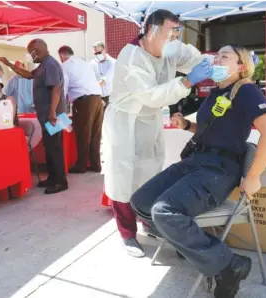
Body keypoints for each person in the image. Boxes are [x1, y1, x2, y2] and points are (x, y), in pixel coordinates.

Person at [130, 45, 266, 298]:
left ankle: (229, 265)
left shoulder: (246, 90)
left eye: (224, 56)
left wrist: (253, 176)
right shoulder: (215, 92)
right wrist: (186, 124)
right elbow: (211, 132)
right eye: (216, 55)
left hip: (220, 169)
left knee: (164, 211)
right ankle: (193, 247)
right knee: (141, 201)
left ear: (241, 66)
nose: (216, 59)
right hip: (197, 160)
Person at [103, 9, 213, 257]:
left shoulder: (171, 48)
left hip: (149, 119)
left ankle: (148, 223)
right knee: (123, 177)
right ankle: (127, 234)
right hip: (125, 121)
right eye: (170, 33)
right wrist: (187, 82)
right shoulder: (131, 57)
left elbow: (194, 59)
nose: (175, 38)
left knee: (150, 172)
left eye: (177, 32)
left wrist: (219, 65)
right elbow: (152, 95)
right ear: (151, 31)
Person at [0, 38, 68, 195]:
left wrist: (52, 113)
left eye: (31, 53)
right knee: (49, 146)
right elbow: (28, 75)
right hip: (49, 114)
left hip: (55, 115)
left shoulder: (50, 64)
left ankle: (60, 182)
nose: (30, 56)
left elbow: (56, 89)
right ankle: (52, 177)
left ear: (38, 50)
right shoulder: (43, 65)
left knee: (55, 147)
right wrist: (9, 64)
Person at [58, 45, 104, 174]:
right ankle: (95, 164)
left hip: (84, 101)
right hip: (97, 98)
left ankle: (81, 165)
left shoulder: (65, 66)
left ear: (62, 56)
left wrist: (62, 107)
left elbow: (63, 89)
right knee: (95, 133)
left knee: (83, 133)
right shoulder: (85, 63)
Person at [89, 41, 116, 109]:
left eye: (99, 52)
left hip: (111, 98)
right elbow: (89, 81)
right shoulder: (92, 64)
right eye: (95, 53)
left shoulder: (112, 62)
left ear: (104, 50)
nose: (97, 55)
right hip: (98, 98)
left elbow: (105, 80)